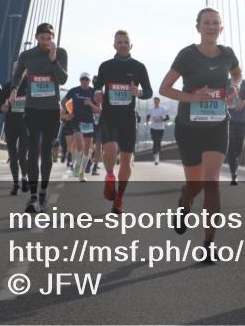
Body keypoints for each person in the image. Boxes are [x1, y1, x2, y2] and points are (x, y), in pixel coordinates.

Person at [160, 8, 240, 263]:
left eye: (216, 23)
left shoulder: (227, 54)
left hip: (217, 126)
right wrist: (192, 97)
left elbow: (236, 73)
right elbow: (165, 88)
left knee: (212, 182)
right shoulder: (187, 55)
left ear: (221, 27)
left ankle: (208, 244)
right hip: (189, 128)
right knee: (195, 185)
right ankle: (185, 200)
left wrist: (234, 87)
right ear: (198, 27)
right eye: (207, 23)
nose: (211, 26)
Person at [93, 30, 152, 214]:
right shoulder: (105, 66)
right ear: (114, 45)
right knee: (109, 149)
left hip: (128, 118)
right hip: (109, 116)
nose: (123, 44)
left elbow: (149, 92)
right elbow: (97, 86)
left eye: (126, 42)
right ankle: (110, 177)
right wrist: (97, 93)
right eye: (119, 42)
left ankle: (119, 198)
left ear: (131, 45)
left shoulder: (139, 67)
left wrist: (139, 93)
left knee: (127, 160)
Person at [11, 22, 68, 213]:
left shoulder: (60, 53)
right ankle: (33, 196)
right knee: (32, 151)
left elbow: (63, 79)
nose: (46, 42)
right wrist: (13, 90)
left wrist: (53, 60)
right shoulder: (27, 55)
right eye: (43, 38)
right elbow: (18, 74)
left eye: (49, 38)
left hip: (51, 111)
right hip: (32, 109)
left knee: (46, 152)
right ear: (36, 37)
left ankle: (43, 192)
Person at [62, 72, 99, 182]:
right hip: (76, 121)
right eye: (83, 79)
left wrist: (91, 104)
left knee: (87, 149)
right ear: (80, 80)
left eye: (87, 79)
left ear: (90, 81)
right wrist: (68, 112)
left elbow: (99, 110)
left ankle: (82, 173)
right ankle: (77, 164)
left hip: (88, 122)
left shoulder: (93, 92)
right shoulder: (74, 90)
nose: (84, 81)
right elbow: (63, 102)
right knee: (79, 146)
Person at [1, 64, 30, 195]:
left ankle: (24, 177)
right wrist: (2, 107)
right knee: (13, 156)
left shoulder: (30, 86)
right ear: (13, 71)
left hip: (25, 124)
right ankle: (15, 184)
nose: (18, 72)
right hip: (11, 124)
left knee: (22, 155)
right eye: (15, 69)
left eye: (21, 69)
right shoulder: (7, 86)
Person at [225, 66, 245, 185]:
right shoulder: (225, 84)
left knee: (239, 148)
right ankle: (234, 173)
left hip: (242, 121)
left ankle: (233, 161)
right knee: (232, 149)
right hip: (229, 121)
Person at [147, 97, 171, 165]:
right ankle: (156, 160)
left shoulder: (163, 109)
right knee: (155, 142)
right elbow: (148, 116)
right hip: (153, 128)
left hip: (160, 128)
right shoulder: (151, 109)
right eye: (155, 101)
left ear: (159, 102)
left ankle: (158, 155)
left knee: (158, 142)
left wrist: (162, 120)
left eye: (157, 101)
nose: (156, 103)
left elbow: (168, 118)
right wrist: (148, 121)